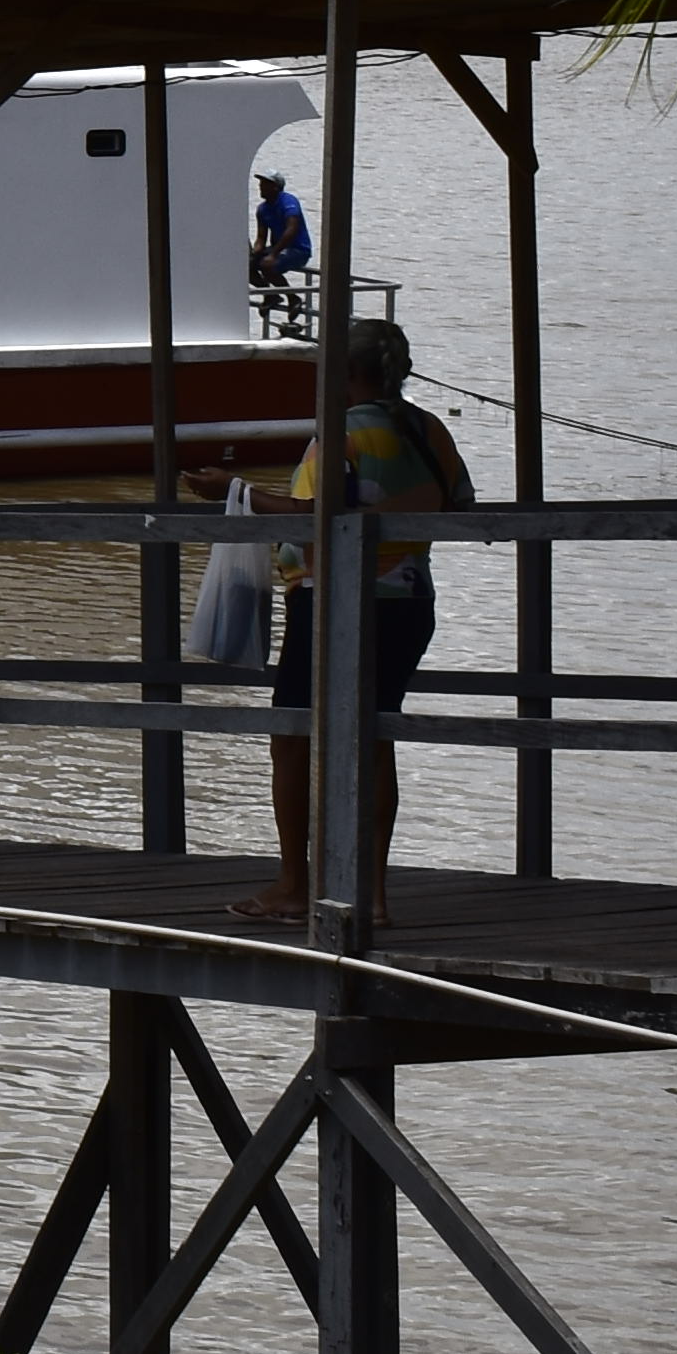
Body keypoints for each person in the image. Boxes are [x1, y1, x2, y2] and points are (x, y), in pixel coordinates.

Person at [232, 316, 472, 924]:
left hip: (334, 604)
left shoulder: (338, 435)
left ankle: (293, 883)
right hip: (411, 603)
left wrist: (233, 490)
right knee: (373, 740)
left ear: (347, 373)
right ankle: (373, 895)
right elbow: (459, 503)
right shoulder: (429, 429)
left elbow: (316, 513)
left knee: (290, 739)